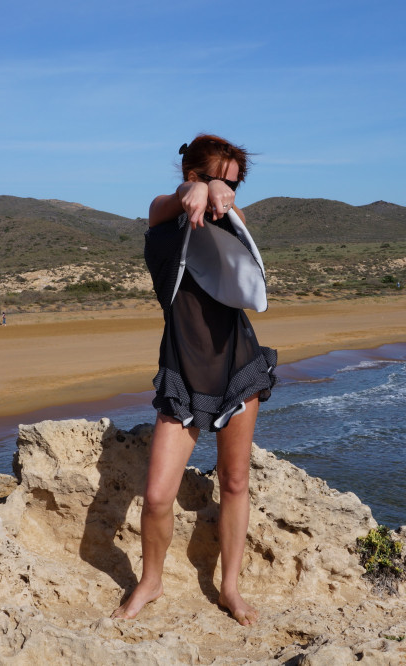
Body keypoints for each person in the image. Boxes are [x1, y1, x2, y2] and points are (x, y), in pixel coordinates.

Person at [112, 134, 277, 626]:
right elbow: (170, 203)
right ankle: (151, 581)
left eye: (233, 183)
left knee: (234, 481)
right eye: (215, 177)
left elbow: (239, 241)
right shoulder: (162, 211)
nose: (226, 189)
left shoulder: (234, 220)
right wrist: (197, 191)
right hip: (183, 369)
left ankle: (229, 588)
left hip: (235, 364)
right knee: (159, 495)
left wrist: (221, 197)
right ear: (189, 172)